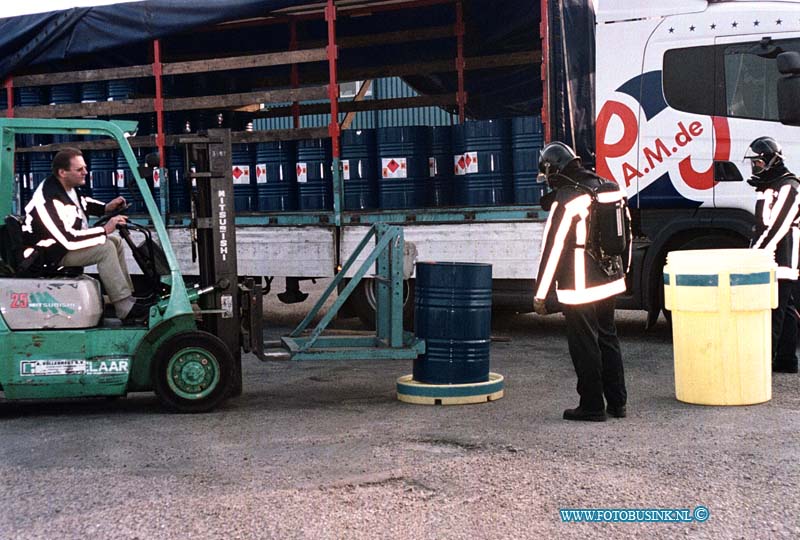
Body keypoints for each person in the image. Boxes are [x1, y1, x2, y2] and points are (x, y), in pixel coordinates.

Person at [533, 141, 632, 422]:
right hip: (610, 278)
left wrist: (541, 295)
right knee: (608, 337)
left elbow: (553, 249)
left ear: (554, 170)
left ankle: (591, 405)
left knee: (584, 343)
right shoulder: (608, 187)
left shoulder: (568, 198)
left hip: (579, 285)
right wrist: (622, 272)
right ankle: (617, 402)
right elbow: (627, 234)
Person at [21, 147, 149, 322]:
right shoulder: (47, 200)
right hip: (49, 255)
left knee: (115, 242)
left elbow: (82, 203)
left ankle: (127, 298)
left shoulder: (66, 187)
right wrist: (104, 230)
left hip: (60, 248)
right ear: (62, 172)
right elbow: (68, 240)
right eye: (79, 169)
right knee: (105, 248)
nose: (86, 172)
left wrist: (105, 207)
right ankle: (123, 307)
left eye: (85, 168)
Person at [745, 136, 800, 373]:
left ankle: (763, 365)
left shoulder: (789, 186)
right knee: (785, 309)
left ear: (770, 161)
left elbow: (778, 227)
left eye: (757, 163)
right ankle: (786, 360)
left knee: (774, 312)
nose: (755, 167)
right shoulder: (769, 185)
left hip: (782, 259)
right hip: (772, 257)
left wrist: (755, 256)